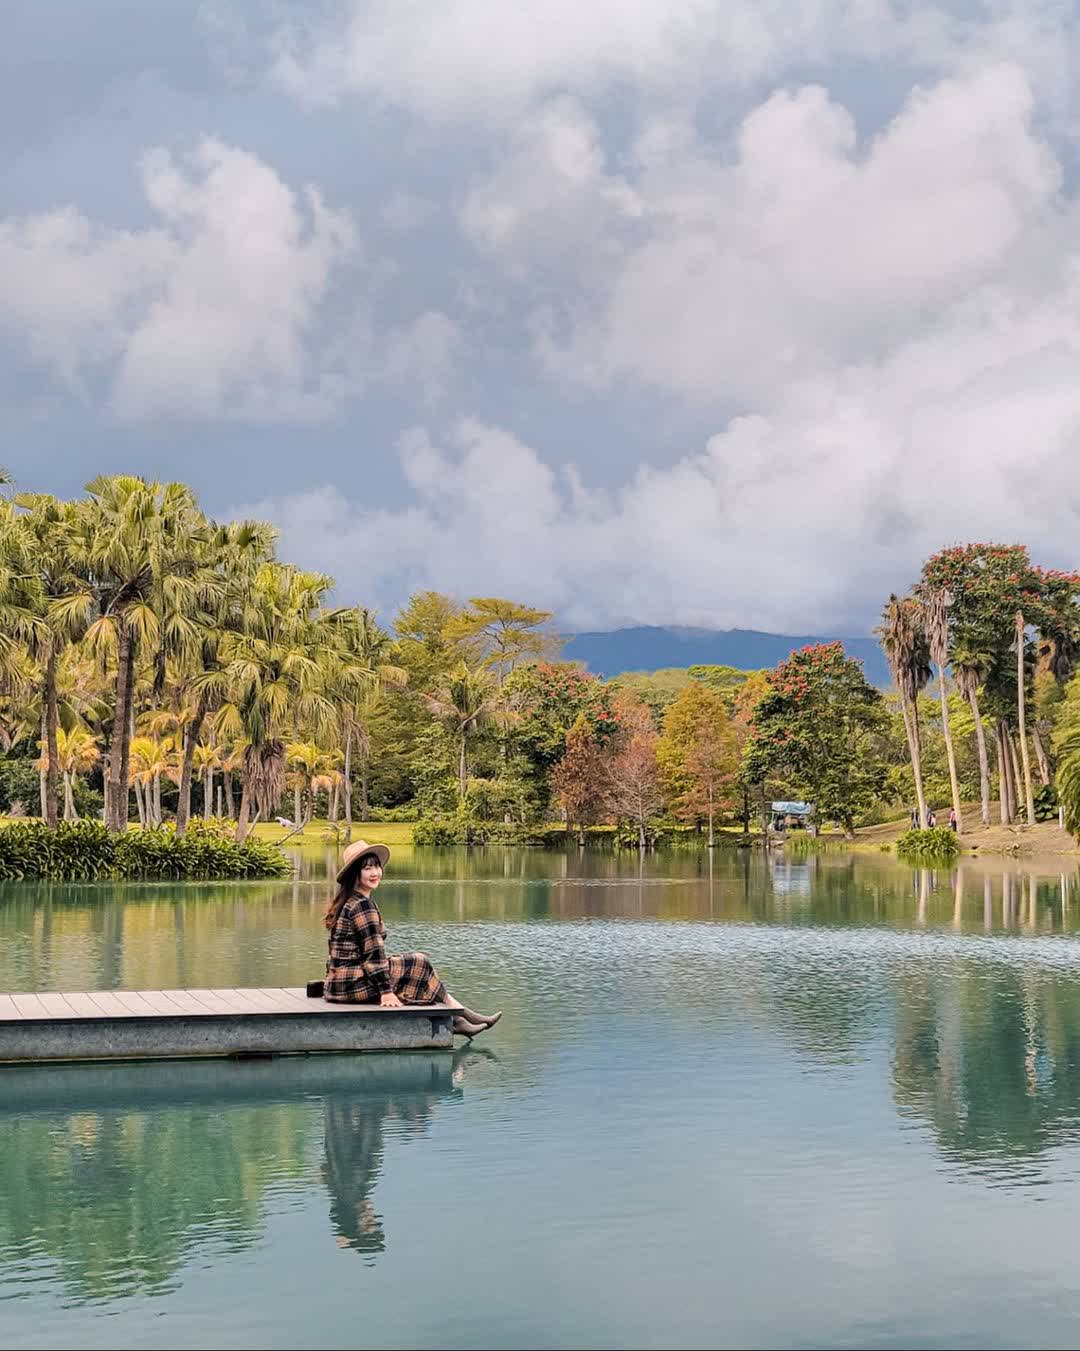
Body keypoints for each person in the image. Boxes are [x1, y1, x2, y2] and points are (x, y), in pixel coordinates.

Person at [323, 839, 501, 1039]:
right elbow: (373, 954)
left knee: (415, 965)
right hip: (350, 985)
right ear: (355, 874)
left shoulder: (350, 901)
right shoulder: (361, 905)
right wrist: (386, 992)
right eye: (367, 868)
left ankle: (459, 1017)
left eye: (377, 867)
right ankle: (460, 1016)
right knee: (419, 963)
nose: (375, 873)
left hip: (339, 983)